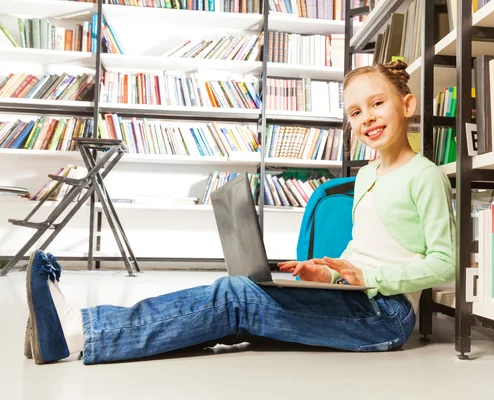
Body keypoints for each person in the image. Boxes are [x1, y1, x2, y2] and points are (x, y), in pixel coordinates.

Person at [24, 60, 456, 365]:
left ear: (407, 104)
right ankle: (79, 334)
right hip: (357, 299)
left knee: (236, 301)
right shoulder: (366, 176)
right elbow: (369, 253)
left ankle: (77, 332)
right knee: (232, 295)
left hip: (385, 318)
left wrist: (369, 279)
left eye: (377, 104)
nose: (367, 118)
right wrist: (333, 274)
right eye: (355, 112)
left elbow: (445, 263)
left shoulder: (425, 175)